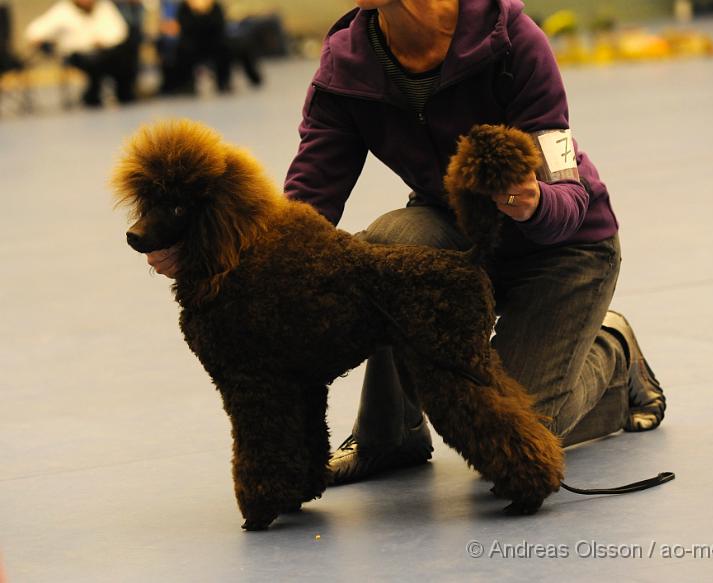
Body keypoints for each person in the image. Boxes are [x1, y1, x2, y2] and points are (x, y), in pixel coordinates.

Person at [148, 0, 666, 486]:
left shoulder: (514, 42)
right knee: (390, 247)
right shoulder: (345, 64)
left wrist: (533, 202)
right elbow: (309, 205)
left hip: (563, 250)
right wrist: (212, 250)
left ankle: (614, 356)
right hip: (451, 227)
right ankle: (389, 436)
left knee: (513, 434)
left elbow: (566, 195)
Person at [25, 0, 134, 107]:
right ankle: (92, 95)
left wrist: (104, 41)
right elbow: (35, 30)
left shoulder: (104, 6)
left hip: (105, 51)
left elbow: (120, 31)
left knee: (125, 54)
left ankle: (123, 95)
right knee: (95, 62)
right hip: (78, 55)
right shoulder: (62, 10)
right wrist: (39, 39)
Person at [166, 0, 231, 94]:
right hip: (192, 45)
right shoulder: (184, 7)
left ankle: (223, 81)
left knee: (225, 47)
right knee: (182, 49)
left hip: (213, 43)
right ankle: (186, 83)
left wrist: (201, 16)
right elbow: (184, 27)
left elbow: (219, 26)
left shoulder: (214, 6)